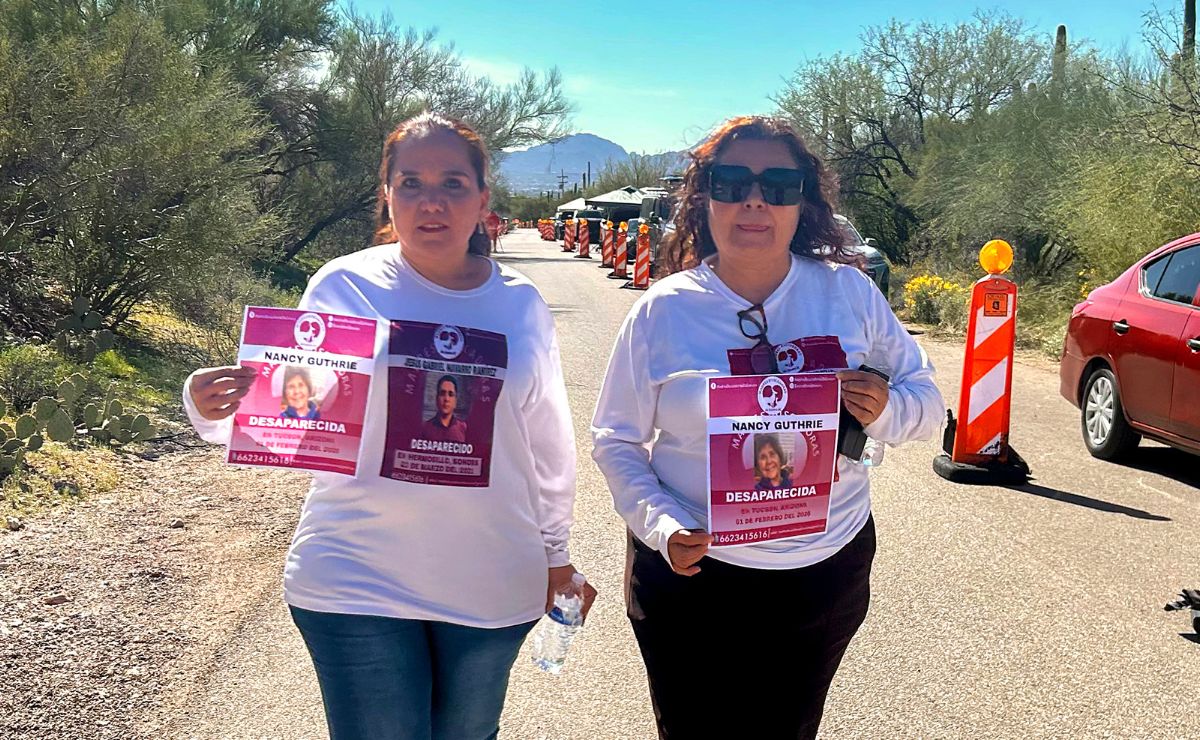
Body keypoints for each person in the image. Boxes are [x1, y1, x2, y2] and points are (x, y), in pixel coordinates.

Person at [183, 111, 596, 740]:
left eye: (453, 183)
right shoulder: (344, 284)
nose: (432, 203)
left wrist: (556, 556)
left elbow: (547, 443)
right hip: (355, 571)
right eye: (411, 184)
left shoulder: (520, 304)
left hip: (489, 578)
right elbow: (296, 410)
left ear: (483, 198)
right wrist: (214, 409)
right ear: (387, 194)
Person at [591, 115, 943, 739]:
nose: (755, 199)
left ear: (802, 200)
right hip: (692, 578)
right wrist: (661, 524)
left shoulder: (851, 294)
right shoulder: (662, 310)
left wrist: (885, 408)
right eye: (732, 181)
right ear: (706, 199)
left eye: (779, 183)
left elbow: (928, 405)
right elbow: (615, 439)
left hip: (822, 575)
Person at [420, 374, 467, 442]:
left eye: (451, 394)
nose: (446, 399)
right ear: (436, 398)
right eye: (442, 393)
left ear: (455, 401)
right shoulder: (425, 428)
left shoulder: (463, 428)